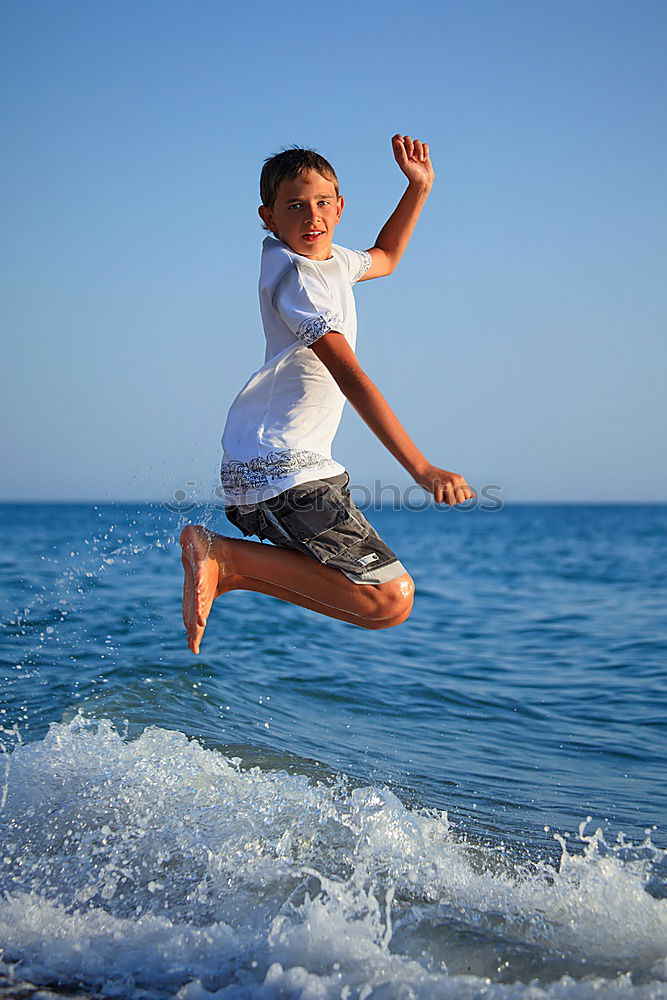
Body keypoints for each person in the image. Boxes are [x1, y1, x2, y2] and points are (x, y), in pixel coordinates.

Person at [180, 134, 474, 654]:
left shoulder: (333, 261)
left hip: (285, 467)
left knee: (385, 602)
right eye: (294, 206)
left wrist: (418, 188)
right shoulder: (298, 281)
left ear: (339, 208)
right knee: (388, 599)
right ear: (268, 218)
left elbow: (385, 256)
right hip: (282, 468)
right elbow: (352, 377)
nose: (311, 216)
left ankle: (228, 567)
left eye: (321, 203)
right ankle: (224, 558)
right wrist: (422, 470)